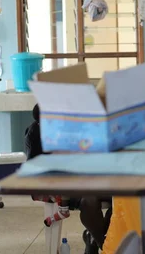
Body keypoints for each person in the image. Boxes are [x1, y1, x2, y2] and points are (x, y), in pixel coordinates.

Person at [24, 104, 112, 253]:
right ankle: (103, 244)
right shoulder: (34, 135)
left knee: (123, 197)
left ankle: (94, 237)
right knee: (89, 200)